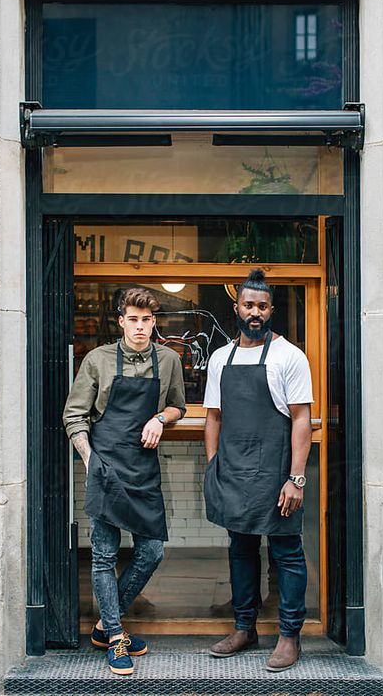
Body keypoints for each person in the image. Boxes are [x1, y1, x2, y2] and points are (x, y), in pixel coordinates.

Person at [63, 287, 186, 675]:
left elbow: (178, 405)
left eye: (146, 320)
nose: (140, 327)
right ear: (121, 321)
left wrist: (159, 419)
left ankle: (103, 625)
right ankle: (116, 636)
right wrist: (89, 459)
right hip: (106, 467)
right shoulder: (97, 360)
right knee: (103, 555)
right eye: (132, 319)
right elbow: (74, 416)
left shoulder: (168, 361)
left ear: (154, 322)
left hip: (143, 469)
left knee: (152, 552)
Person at [203, 269, 313, 671]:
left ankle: (289, 636)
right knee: (241, 551)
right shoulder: (220, 358)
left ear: (271, 310)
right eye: (249, 305)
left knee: (286, 553)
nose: (255, 312)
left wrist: (296, 477)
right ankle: (245, 628)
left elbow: (302, 419)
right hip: (233, 474)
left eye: (262, 306)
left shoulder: (289, 356)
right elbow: (213, 417)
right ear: (237, 308)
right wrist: (214, 465)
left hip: (276, 474)